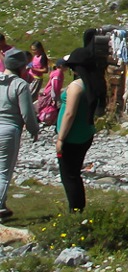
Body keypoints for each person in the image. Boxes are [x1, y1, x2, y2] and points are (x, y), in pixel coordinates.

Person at [56, 47, 103, 212]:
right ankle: (78, 208)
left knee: (69, 175)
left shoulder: (76, 86)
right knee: (75, 172)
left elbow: (69, 113)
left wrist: (61, 138)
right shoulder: (93, 83)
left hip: (71, 136)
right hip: (85, 134)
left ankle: (75, 209)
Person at [0, 49, 40, 220]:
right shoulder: (20, 85)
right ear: (21, 67)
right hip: (9, 130)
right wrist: (34, 129)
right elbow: (27, 113)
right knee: (3, 172)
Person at [35, 57, 66, 125]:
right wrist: (54, 97)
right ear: (61, 66)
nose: (67, 68)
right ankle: (46, 118)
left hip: (49, 92)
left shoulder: (56, 72)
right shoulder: (58, 74)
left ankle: (45, 118)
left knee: (47, 107)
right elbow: (55, 86)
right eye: (65, 66)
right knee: (49, 107)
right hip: (51, 93)